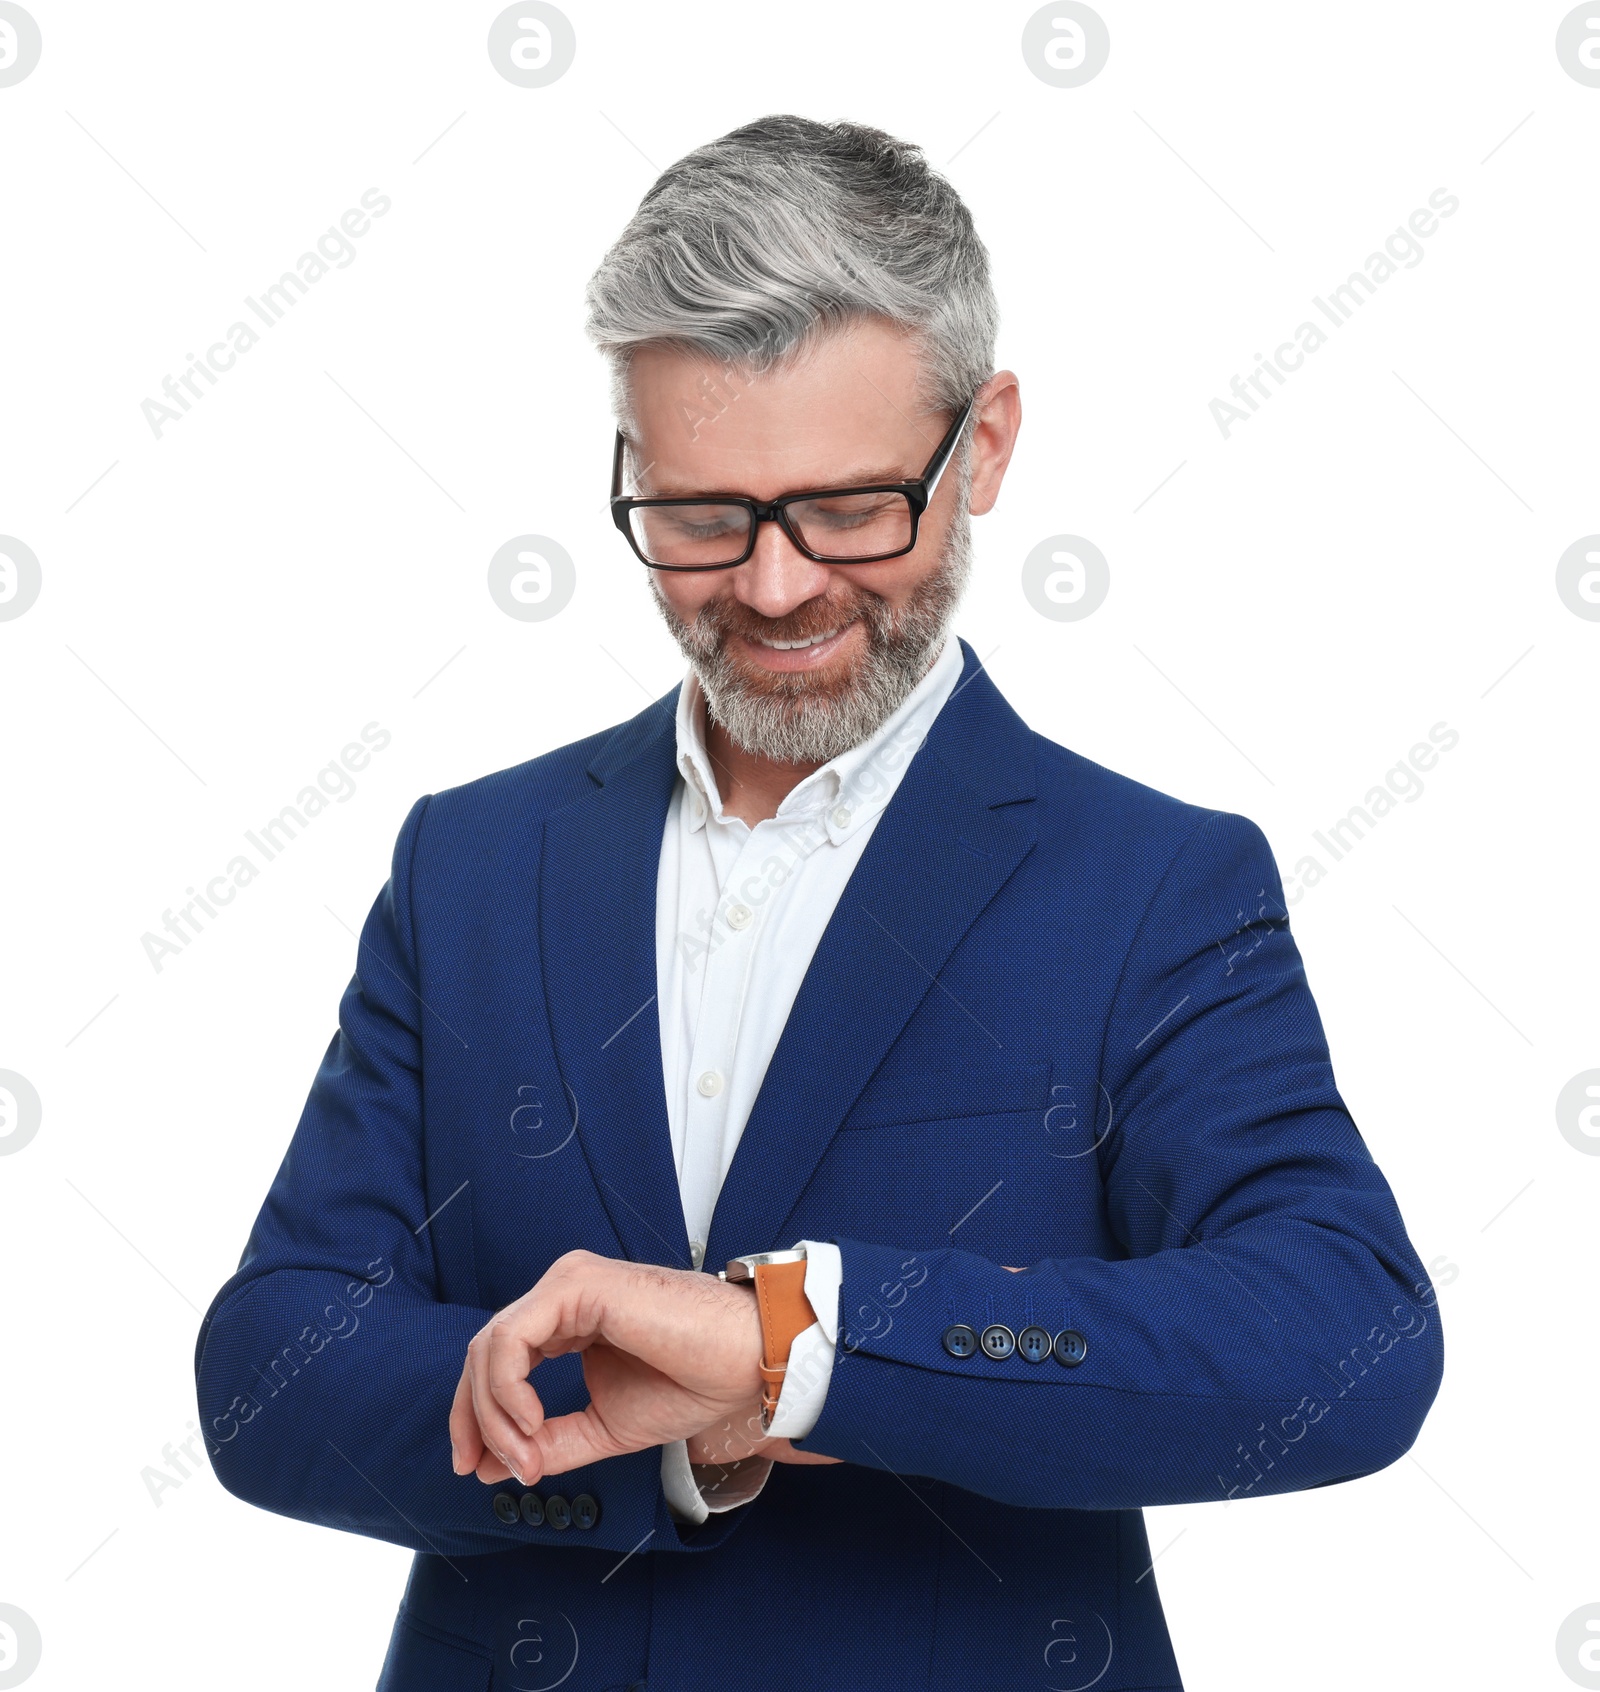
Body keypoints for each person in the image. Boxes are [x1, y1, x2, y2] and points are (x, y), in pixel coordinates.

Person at [195, 114, 1444, 1692]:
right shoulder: (472, 861)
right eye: (702, 518)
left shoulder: (1152, 885)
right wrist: (656, 1420)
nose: (775, 589)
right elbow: (270, 1372)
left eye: (850, 509)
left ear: (983, 445)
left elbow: (1343, 1340)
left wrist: (801, 1351)